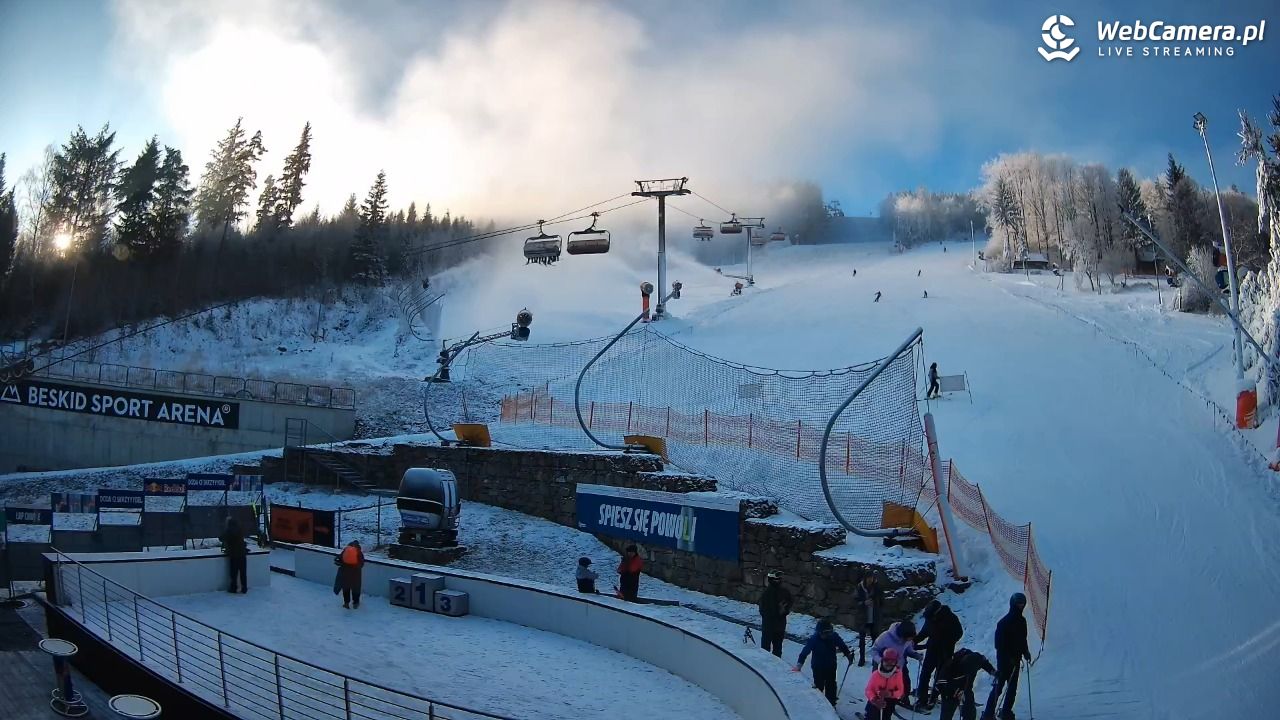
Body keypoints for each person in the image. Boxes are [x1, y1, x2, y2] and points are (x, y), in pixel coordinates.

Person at [982, 593, 1032, 720]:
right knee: (999, 687)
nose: (1021, 606)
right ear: (1013, 604)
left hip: (1015, 660)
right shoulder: (1004, 623)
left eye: (1022, 604)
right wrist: (1009, 658)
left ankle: (1006, 712)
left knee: (1012, 688)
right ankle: (988, 714)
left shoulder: (1022, 621)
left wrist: (1025, 651)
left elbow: (1022, 639)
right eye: (1018, 604)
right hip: (1004, 661)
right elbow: (999, 644)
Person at [915, 599, 964, 711]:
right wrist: (914, 641)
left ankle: (933, 697)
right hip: (932, 650)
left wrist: (948, 641)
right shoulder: (930, 619)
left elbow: (959, 633)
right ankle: (922, 698)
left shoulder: (951, 618)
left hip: (945, 652)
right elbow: (924, 632)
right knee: (925, 673)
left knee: (940, 676)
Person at [794, 618, 854, 707]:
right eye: (824, 633)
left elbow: (842, 646)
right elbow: (804, 652)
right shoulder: (814, 639)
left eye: (828, 632)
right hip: (818, 666)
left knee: (831, 685)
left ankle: (831, 704)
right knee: (819, 686)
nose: (826, 635)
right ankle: (820, 704)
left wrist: (848, 654)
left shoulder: (833, 636)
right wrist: (799, 665)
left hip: (831, 665)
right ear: (819, 632)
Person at [871, 620, 923, 704]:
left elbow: (908, 649)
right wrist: (881, 661)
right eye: (908, 638)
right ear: (902, 635)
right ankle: (874, 705)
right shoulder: (885, 637)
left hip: (899, 665)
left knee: (905, 683)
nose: (909, 640)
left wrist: (916, 655)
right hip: (883, 667)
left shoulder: (908, 639)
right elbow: (874, 651)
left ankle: (902, 699)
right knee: (881, 687)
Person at [937, 648, 996, 720]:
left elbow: (985, 663)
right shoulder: (951, 665)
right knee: (949, 705)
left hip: (966, 685)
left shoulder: (977, 658)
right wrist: (949, 692)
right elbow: (940, 682)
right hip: (951, 686)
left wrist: (993, 672)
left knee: (969, 703)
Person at [757, 570, 794, 657]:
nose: (778, 581)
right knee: (767, 650)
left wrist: (783, 610)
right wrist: (780, 611)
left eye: (779, 579)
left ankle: (774, 667)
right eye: (776, 579)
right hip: (770, 626)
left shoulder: (784, 592)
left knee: (775, 650)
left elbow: (789, 603)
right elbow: (764, 611)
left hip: (776, 626)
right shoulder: (767, 594)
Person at [863, 647, 906, 720]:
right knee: (872, 715)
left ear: (895, 662)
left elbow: (900, 691)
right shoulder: (876, 674)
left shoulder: (898, 674)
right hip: (876, 699)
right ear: (882, 661)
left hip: (890, 701)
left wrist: (890, 693)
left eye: (892, 661)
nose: (889, 664)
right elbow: (868, 690)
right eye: (886, 661)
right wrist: (874, 700)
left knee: (885, 717)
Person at [854, 573, 883, 665]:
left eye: (872, 578)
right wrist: (864, 603)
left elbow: (882, 601)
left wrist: (876, 603)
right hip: (863, 617)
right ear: (865, 578)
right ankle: (862, 658)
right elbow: (855, 601)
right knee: (862, 639)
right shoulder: (860, 588)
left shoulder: (877, 588)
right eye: (869, 578)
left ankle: (876, 659)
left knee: (876, 639)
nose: (870, 580)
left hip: (874, 617)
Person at [219, 516, 248, 594]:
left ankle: (233, 588)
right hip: (242, 554)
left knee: (233, 573)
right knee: (243, 572)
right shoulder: (240, 529)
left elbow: (221, 538)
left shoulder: (229, 530)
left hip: (234, 555)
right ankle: (244, 588)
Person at [334, 540, 365, 609]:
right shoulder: (359, 552)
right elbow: (362, 563)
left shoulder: (345, 551)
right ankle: (355, 603)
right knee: (356, 588)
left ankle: (346, 603)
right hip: (356, 573)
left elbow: (338, 559)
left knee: (346, 588)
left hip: (345, 572)